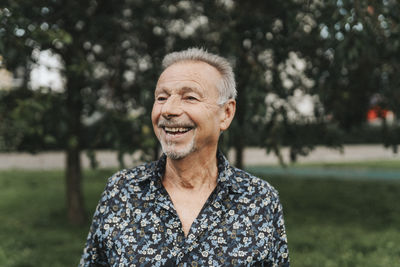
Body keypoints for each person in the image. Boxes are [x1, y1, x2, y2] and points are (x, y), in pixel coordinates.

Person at [80, 48, 290, 267]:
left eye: (189, 97)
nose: (168, 110)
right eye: (161, 97)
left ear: (226, 114)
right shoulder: (121, 190)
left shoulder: (260, 199)